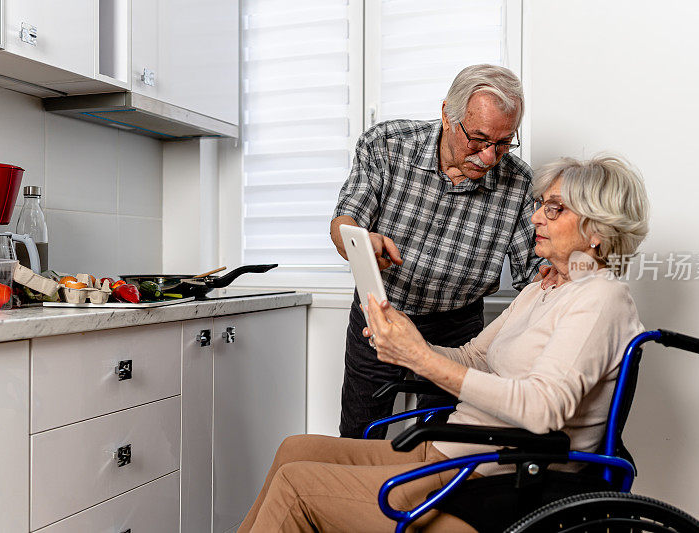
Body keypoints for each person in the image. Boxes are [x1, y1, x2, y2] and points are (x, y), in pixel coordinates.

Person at [238, 154, 650, 532]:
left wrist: (420, 357)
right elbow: (474, 357)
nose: (536, 218)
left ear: (596, 230)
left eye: (553, 208)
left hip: (487, 473)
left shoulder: (600, 299)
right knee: (295, 450)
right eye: (541, 204)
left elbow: (542, 409)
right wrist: (408, 345)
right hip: (450, 448)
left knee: (296, 487)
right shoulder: (540, 291)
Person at [331, 64, 548, 439]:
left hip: (458, 328)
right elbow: (345, 222)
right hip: (382, 312)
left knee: (441, 444)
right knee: (359, 433)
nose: (489, 157)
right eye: (478, 139)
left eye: (503, 143)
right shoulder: (387, 144)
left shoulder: (520, 182)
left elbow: (536, 272)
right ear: (448, 115)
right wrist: (359, 241)